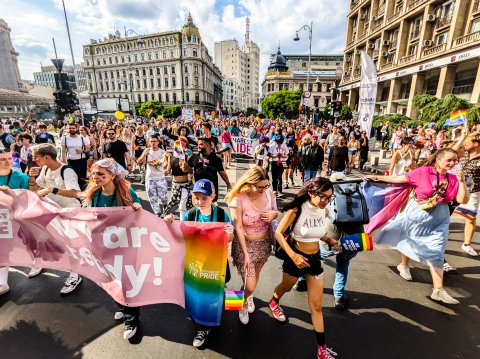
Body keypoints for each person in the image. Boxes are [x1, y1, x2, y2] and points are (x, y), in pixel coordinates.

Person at [366, 148, 469, 304]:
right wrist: (375, 177)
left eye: (455, 160)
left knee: (438, 252)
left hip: (440, 217)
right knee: (408, 240)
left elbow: (462, 200)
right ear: (438, 160)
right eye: (449, 160)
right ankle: (404, 265)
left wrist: (462, 182)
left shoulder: (454, 178)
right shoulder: (423, 172)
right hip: (418, 213)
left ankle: (438, 290)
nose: (453, 163)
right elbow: (400, 179)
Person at [269, 177, 339, 359]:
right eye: (322, 197)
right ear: (311, 193)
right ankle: (274, 301)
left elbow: (319, 231)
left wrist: (330, 240)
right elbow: (278, 233)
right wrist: (293, 256)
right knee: (285, 287)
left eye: (329, 197)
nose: (326, 201)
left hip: (314, 260)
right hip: (295, 258)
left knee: (316, 306)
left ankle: (322, 349)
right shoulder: (297, 210)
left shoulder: (323, 211)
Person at [164, 179, 234, 348]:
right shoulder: (190, 214)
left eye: (204, 198)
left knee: (219, 288)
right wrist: (170, 224)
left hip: (216, 263)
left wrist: (230, 233)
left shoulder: (221, 214)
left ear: (213, 197)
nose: (200, 201)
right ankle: (202, 328)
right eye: (197, 197)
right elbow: (180, 235)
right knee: (199, 294)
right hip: (197, 264)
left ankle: (228, 305)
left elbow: (229, 238)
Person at [82, 158, 142, 339]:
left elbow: (141, 217)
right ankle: (121, 306)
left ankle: (131, 320)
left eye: (101, 174)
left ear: (112, 175)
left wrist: (137, 208)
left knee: (127, 282)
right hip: (105, 246)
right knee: (113, 279)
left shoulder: (126, 192)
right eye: (94, 174)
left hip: (127, 245)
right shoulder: (94, 194)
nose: (96, 177)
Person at [27, 144, 83, 293]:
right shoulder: (44, 169)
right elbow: (36, 190)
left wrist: (52, 189)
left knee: (71, 245)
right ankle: (39, 262)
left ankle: (75, 276)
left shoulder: (67, 170)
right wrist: (32, 178)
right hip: (52, 211)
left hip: (70, 212)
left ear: (46, 157)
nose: (34, 160)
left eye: (36, 157)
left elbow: (76, 193)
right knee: (44, 238)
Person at [227, 166, 278, 325]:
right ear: (249, 183)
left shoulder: (269, 193)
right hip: (245, 246)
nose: (264, 189)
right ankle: (239, 304)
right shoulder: (238, 199)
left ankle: (248, 296)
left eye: (266, 186)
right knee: (250, 282)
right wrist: (247, 255)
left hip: (263, 244)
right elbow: (239, 227)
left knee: (254, 276)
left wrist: (273, 214)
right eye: (260, 187)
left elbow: (276, 211)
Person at [0, 149, 30, 295]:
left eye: (9, 158)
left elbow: (27, 199)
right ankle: (2, 283)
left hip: (15, 218)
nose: (7, 162)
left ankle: (37, 264)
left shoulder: (21, 177)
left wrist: (10, 194)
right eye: (3, 159)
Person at [186, 137, 232, 202]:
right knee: (199, 208)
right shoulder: (194, 157)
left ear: (207, 145)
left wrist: (228, 185)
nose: (198, 146)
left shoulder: (216, 159)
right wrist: (185, 167)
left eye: (201, 144)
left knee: (212, 209)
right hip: (198, 189)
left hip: (211, 190)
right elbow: (190, 171)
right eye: (198, 144)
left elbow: (222, 173)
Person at [136, 133, 169, 217]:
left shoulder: (162, 152)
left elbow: (165, 164)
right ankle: (158, 214)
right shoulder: (146, 151)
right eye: (151, 141)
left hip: (160, 178)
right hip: (150, 178)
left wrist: (165, 168)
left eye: (155, 141)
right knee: (152, 199)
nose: (153, 143)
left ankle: (165, 204)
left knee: (163, 197)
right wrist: (144, 155)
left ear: (158, 142)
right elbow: (138, 162)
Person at [458, 132, 480, 256]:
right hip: (456, 188)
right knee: (445, 214)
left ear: (476, 144)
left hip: (473, 192)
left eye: (467, 140)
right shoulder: (464, 154)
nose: (465, 143)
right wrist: (462, 136)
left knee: (470, 217)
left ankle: (466, 244)